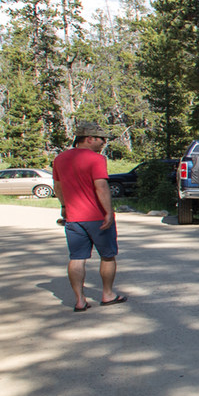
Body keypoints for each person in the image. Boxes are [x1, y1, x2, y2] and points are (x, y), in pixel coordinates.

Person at [53, 120, 126, 311]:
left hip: (73, 218)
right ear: (89, 138)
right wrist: (109, 212)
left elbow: (58, 187)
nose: (104, 143)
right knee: (108, 256)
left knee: (77, 257)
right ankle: (108, 294)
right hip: (97, 218)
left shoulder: (60, 159)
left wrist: (64, 206)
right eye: (102, 139)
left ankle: (80, 300)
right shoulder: (96, 159)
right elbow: (101, 186)